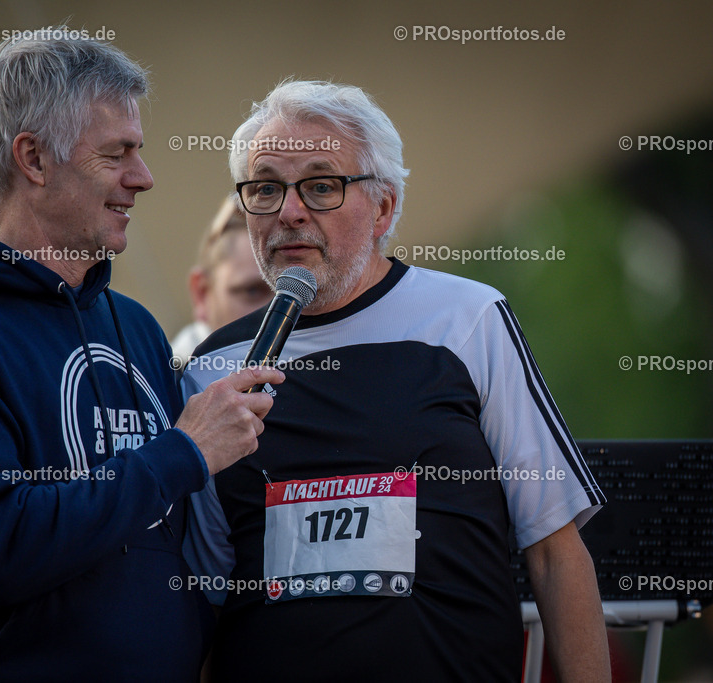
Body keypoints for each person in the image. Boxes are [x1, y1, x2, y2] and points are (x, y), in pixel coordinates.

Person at [0, 35, 283, 682]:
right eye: (118, 153)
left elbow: (179, 542)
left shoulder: (134, 327)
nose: (144, 177)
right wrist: (183, 451)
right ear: (33, 158)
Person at [183, 80, 611, 682]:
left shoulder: (466, 321)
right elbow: (202, 589)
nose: (289, 211)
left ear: (383, 207)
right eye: (265, 188)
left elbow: (554, 553)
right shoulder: (213, 368)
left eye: (322, 184)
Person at [170, 195, 272, 366]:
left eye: (302, 294)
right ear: (201, 294)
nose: (283, 310)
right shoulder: (165, 385)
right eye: (253, 291)